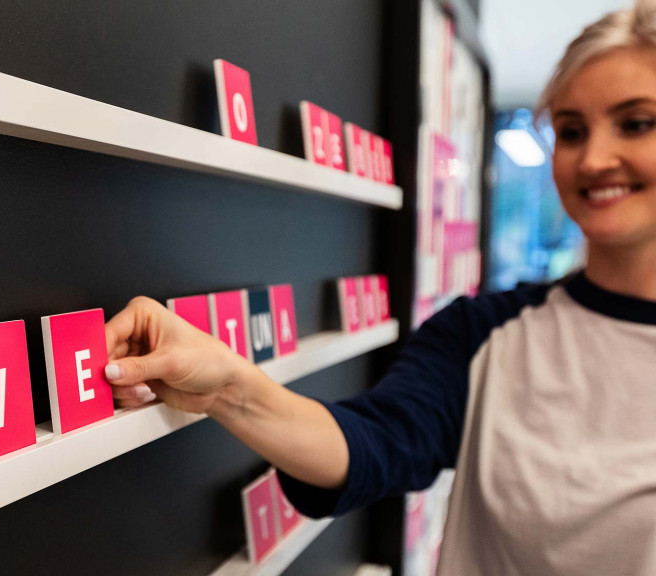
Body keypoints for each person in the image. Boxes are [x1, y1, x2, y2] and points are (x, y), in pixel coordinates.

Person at [102, 2, 656, 574]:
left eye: (637, 123)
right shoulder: (485, 333)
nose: (594, 158)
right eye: (570, 131)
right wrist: (227, 388)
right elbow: (371, 447)